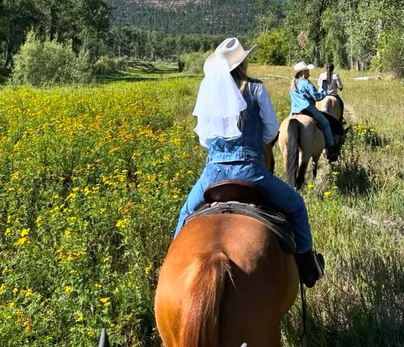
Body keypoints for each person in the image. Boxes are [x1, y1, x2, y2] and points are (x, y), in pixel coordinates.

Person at [174, 38, 324, 288]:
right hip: (252, 171)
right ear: (243, 62)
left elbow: (205, 140)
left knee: (185, 213)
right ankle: (308, 267)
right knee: (296, 206)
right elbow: (271, 130)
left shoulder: (210, 92)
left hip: (214, 173)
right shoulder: (256, 88)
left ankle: (173, 274)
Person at [290, 61, 339, 162]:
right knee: (325, 123)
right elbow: (317, 97)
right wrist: (324, 90)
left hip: (294, 111)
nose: (309, 73)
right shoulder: (306, 83)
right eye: (308, 71)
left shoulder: (293, 83)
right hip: (308, 108)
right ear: (303, 72)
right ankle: (331, 148)